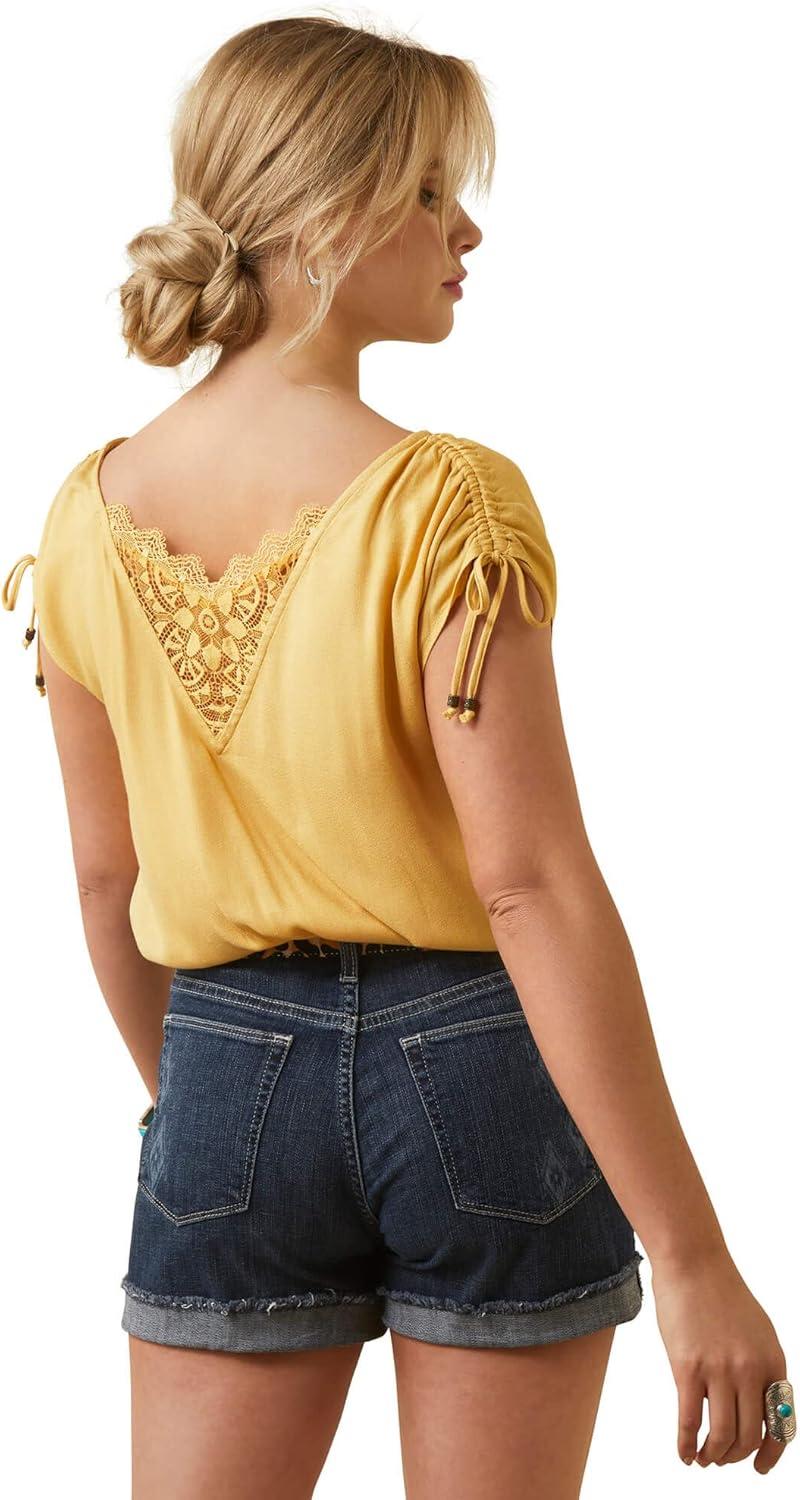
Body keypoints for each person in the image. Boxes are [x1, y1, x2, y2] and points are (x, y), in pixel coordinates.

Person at [2, 15, 793, 1499]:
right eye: (431, 191)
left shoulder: (83, 518)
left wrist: (218, 1110)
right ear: (322, 213)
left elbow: (107, 883)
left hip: (218, 1059)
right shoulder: (447, 504)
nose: (466, 229)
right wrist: (694, 1261)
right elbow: (529, 885)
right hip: (477, 1065)